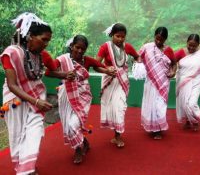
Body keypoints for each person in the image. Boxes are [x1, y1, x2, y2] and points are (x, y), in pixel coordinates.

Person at [0, 12, 56, 175]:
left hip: (36, 98)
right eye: (43, 39)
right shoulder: (12, 53)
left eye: (48, 40)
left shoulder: (40, 56)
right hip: (15, 100)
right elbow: (12, 85)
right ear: (30, 36)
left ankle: (25, 167)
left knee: (35, 133)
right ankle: (25, 169)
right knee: (17, 137)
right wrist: (36, 101)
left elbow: (42, 74)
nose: (46, 44)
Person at [45, 35, 115, 163]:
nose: (80, 51)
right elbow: (48, 72)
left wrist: (108, 70)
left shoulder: (86, 60)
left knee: (74, 124)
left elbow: (98, 66)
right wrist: (64, 74)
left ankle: (78, 150)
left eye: (83, 49)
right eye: (77, 47)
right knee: (69, 125)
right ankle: (83, 144)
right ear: (71, 46)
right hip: (67, 96)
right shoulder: (62, 59)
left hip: (83, 96)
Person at [96, 23, 140, 148]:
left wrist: (139, 65)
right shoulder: (105, 47)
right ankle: (115, 134)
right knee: (110, 108)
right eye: (117, 36)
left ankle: (118, 135)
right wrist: (106, 70)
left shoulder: (128, 47)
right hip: (109, 81)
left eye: (122, 36)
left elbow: (138, 57)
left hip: (122, 82)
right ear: (111, 35)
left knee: (119, 107)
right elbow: (96, 64)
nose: (120, 39)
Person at [139, 27, 177, 140]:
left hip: (163, 82)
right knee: (151, 104)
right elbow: (138, 57)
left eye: (162, 39)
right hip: (150, 81)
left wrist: (173, 72)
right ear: (154, 36)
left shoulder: (168, 50)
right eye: (157, 38)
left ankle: (158, 129)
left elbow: (174, 64)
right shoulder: (147, 47)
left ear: (165, 39)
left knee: (160, 106)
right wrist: (139, 64)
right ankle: (152, 128)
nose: (159, 41)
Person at [175, 34, 200, 131]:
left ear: (198, 45)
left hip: (196, 81)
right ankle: (189, 122)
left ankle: (195, 121)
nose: (191, 47)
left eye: (194, 46)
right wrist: (172, 70)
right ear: (187, 43)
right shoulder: (181, 52)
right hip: (182, 82)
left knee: (191, 103)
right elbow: (171, 61)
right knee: (184, 104)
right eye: (189, 45)